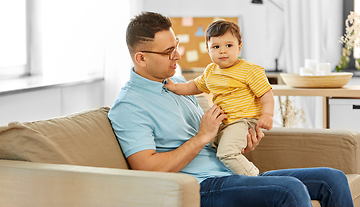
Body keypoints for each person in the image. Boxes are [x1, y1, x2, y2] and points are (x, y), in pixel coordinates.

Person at [108, 11, 353, 207]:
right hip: (199, 186)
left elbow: (218, 136)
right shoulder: (129, 106)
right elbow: (149, 169)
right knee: (291, 190)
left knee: (333, 179)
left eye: (176, 45)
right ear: (141, 58)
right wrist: (203, 135)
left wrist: (240, 141)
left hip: (230, 173)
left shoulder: (180, 86)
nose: (177, 55)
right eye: (168, 51)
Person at [165, 20, 273, 176]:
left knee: (226, 153)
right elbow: (194, 86)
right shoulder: (210, 71)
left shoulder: (249, 70)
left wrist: (267, 114)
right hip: (224, 123)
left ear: (239, 47)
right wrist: (175, 87)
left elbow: (265, 94)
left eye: (229, 46)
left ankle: (254, 177)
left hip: (244, 120)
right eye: (216, 47)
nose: (223, 51)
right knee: (212, 149)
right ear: (208, 49)